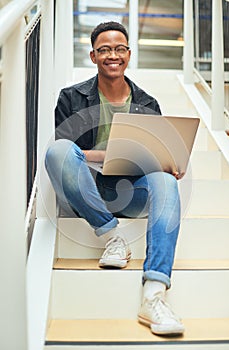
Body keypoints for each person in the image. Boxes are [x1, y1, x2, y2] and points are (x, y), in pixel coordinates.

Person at [45, 21, 185, 336]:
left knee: (166, 182)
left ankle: (154, 293)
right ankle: (113, 238)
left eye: (120, 49)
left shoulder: (147, 103)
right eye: (105, 49)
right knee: (57, 153)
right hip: (85, 188)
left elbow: (153, 154)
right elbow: (69, 153)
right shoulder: (71, 98)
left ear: (128, 54)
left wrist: (166, 162)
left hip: (130, 190)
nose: (113, 55)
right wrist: (108, 155)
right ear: (93, 56)